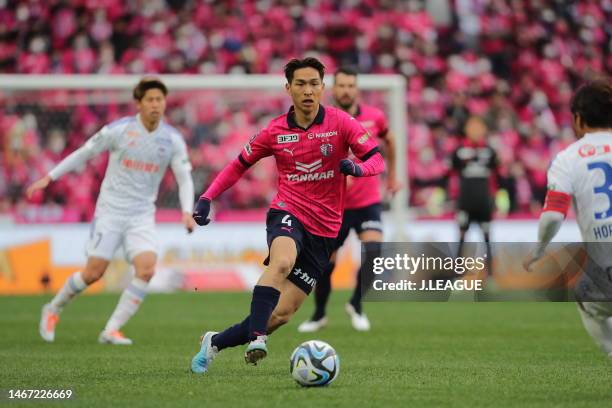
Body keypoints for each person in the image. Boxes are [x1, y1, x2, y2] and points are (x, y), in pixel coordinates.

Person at [190, 57, 385, 374]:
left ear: (322, 88)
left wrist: (358, 168)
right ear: (288, 88)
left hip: (325, 231)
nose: (307, 90)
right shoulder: (275, 130)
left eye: (313, 84)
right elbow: (238, 164)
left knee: (281, 315)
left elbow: (377, 160)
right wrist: (207, 196)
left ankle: (214, 342)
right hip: (288, 211)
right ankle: (257, 339)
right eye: (300, 84)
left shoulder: (341, 123)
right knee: (281, 261)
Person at [26, 77, 195, 345]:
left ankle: (111, 330)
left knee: (147, 269)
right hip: (111, 211)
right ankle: (53, 308)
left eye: (159, 100)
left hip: (141, 215)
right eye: (150, 100)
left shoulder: (172, 140)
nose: (155, 105)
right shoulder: (118, 131)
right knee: (93, 273)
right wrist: (50, 177)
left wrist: (187, 211)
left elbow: (184, 177)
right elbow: (84, 153)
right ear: (138, 104)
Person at [297, 67, 400, 333]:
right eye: (341, 85)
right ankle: (319, 314)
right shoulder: (325, 119)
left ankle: (356, 304)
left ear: (356, 88)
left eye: (350, 85)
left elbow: (389, 141)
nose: (345, 90)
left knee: (374, 254)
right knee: (324, 265)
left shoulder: (375, 117)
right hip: (335, 205)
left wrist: (392, 176)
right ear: (334, 89)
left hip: (368, 202)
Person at [524, 79, 612, 357]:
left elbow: (552, 216)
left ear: (577, 118)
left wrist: (538, 249)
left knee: (589, 302)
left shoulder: (568, 158)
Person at [451, 116, 498, 272]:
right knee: (462, 236)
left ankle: (490, 275)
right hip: (465, 201)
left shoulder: (490, 151)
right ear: (466, 130)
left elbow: (497, 176)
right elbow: (450, 172)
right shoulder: (459, 151)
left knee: (487, 237)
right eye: (472, 127)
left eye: (478, 127)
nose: (475, 131)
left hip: (484, 201)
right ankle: (458, 275)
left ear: (484, 129)